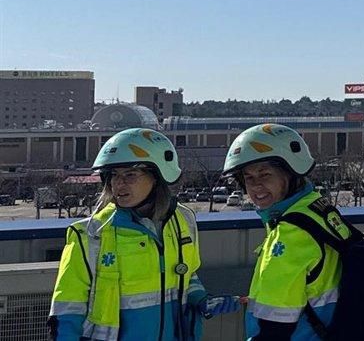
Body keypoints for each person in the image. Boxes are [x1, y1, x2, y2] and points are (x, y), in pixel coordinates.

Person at [49, 128, 238, 340]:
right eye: (114, 175)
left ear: (157, 177)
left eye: (130, 175)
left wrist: (202, 299)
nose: (119, 184)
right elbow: (67, 311)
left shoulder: (182, 220)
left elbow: (187, 275)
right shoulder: (90, 234)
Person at [224, 124, 351, 341]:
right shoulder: (316, 209)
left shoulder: (290, 234)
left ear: (291, 173)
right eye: (249, 178)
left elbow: (274, 328)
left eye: (265, 174)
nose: (256, 186)